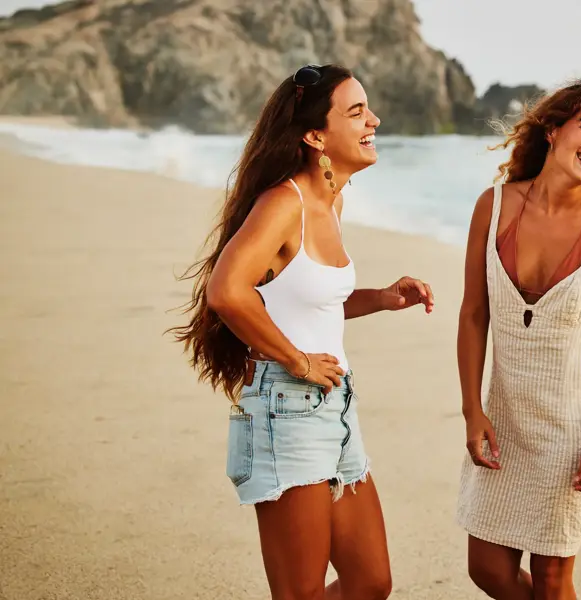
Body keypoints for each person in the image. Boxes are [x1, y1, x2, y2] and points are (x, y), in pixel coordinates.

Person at [169, 64, 434, 600]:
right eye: (356, 111)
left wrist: (381, 299)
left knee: (370, 581)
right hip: (285, 409)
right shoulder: (283, 202)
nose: (373, 120)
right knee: (300, 592)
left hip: (333, 408)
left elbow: (303, 298)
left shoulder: (332, 199)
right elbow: (227, 291)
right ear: (316, 136)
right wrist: (298, 361)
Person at [455, 81, 581, 599]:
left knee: (552, 579)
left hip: (573, 428)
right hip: (505, 418)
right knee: (487, 569)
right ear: (552, 129)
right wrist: (472, 411)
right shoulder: (493, 206)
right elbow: (474, 315)